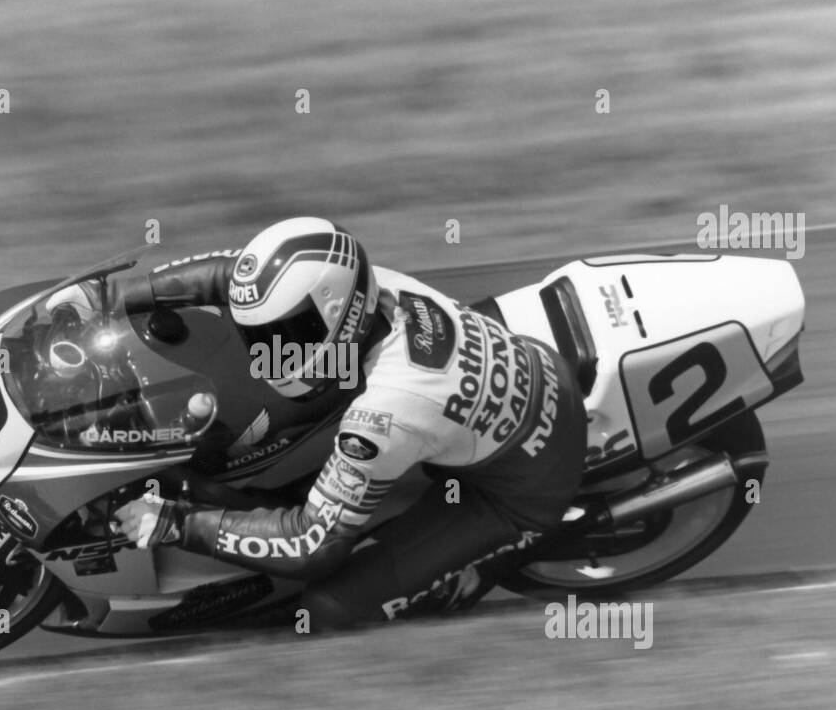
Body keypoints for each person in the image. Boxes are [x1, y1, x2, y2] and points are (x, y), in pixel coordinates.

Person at [113, 217, 586, 627]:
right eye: (259, 335)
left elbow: (310, 544)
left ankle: (474, 571)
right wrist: (119, 297)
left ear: (337, 318)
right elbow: (231, 276)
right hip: (497, 383)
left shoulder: (382, 416)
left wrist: (180, 525)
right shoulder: (361, 286)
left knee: (329, 609)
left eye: (282, 337)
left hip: (519, 485)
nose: (265, 353)